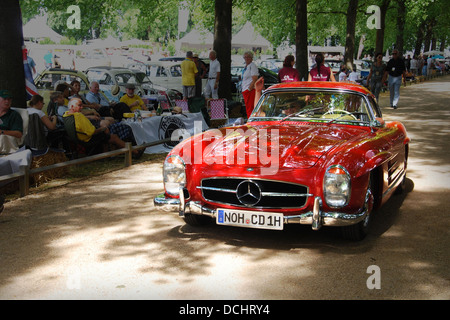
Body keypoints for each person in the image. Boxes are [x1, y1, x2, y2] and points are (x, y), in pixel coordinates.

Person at [63, 98, 141, 157]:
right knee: (114, 136)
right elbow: (92, 131)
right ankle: (135, 152)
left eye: (82, 105)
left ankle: (107, 155)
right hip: (88, 139)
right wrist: (102, 129)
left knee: (108, 134)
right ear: (72, 106)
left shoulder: (66, 115)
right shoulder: (79, 116)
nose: (81, 107)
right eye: (79, 105)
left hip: (79, 138)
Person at [0, 90, 23, 154]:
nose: (7, 101)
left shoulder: (14, 115)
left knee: (2, 137)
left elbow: (19, 134)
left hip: (5, 143)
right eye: (4, 99)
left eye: (9, 99)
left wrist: (2, 132)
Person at [241, 51, 259, 118]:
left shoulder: (252, 66)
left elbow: (255, 78)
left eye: (248, 57)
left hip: (249, 90)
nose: (246, 58)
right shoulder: (246, 66)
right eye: (245, 57)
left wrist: (249, 88)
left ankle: (250, 121)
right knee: (248, 107)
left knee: (250, 108)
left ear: (251, 58)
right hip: (245, 89)